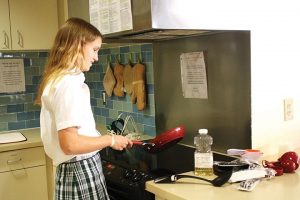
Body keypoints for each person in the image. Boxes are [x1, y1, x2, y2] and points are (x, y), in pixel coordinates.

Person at [35, 17, 132, 200]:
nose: (96, 57)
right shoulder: (67, 84)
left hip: (78, 169)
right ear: (77, 45)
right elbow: (70, 144)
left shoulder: (62, 79)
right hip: (79, 170)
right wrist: (110, 140)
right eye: (94, 50)